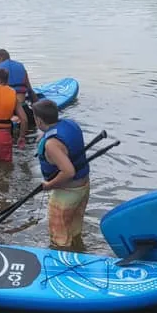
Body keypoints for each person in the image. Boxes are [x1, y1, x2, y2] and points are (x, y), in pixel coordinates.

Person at [33, 99, 89, 249]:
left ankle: (62, 265)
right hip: (83, 186)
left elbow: (69, 172)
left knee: (59, 239)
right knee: (74, 231)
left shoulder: (52, 144)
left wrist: (49, 185)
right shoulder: (70, 124)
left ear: (38, 120)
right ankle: (79, 251)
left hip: (67, 194)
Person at [0, 48, 37, 130]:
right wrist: (37, 107)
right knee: (31, 131)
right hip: (24, 109)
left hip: (9, 111)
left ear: (0, 58)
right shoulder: (21, 66)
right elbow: (30, 90)